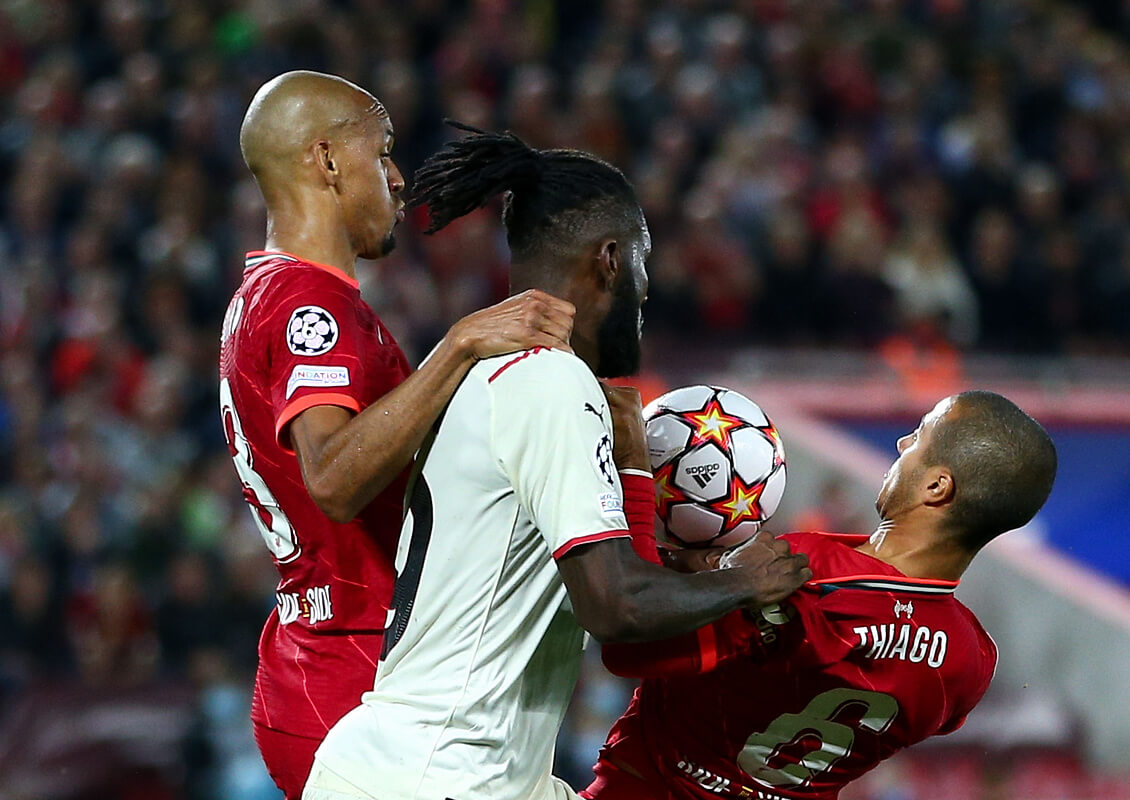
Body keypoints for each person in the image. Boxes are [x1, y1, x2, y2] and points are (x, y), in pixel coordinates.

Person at [303, 124, 813, 800]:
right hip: (438, 776)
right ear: (608, 259)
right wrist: (742, 581)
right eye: (642, 261)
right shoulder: (550, 379)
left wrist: (631, 467)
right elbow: (614, 605)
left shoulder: (477, 364)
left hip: (435, 768)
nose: (646, 288)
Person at [219, 72, 576, 800]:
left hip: (332, 654)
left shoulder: (273, 293)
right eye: (381, 154)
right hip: (351, 673)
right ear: (325, 162)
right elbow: (337, 479)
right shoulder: (308, 306)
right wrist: (460, 346)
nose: (398, 178)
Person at [585, 390, 1058, 800]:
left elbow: (632, 642)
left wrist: (633, 473)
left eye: (918, 437)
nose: (902, 444)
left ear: (937, 486)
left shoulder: (802, 573)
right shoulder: (971, 661)